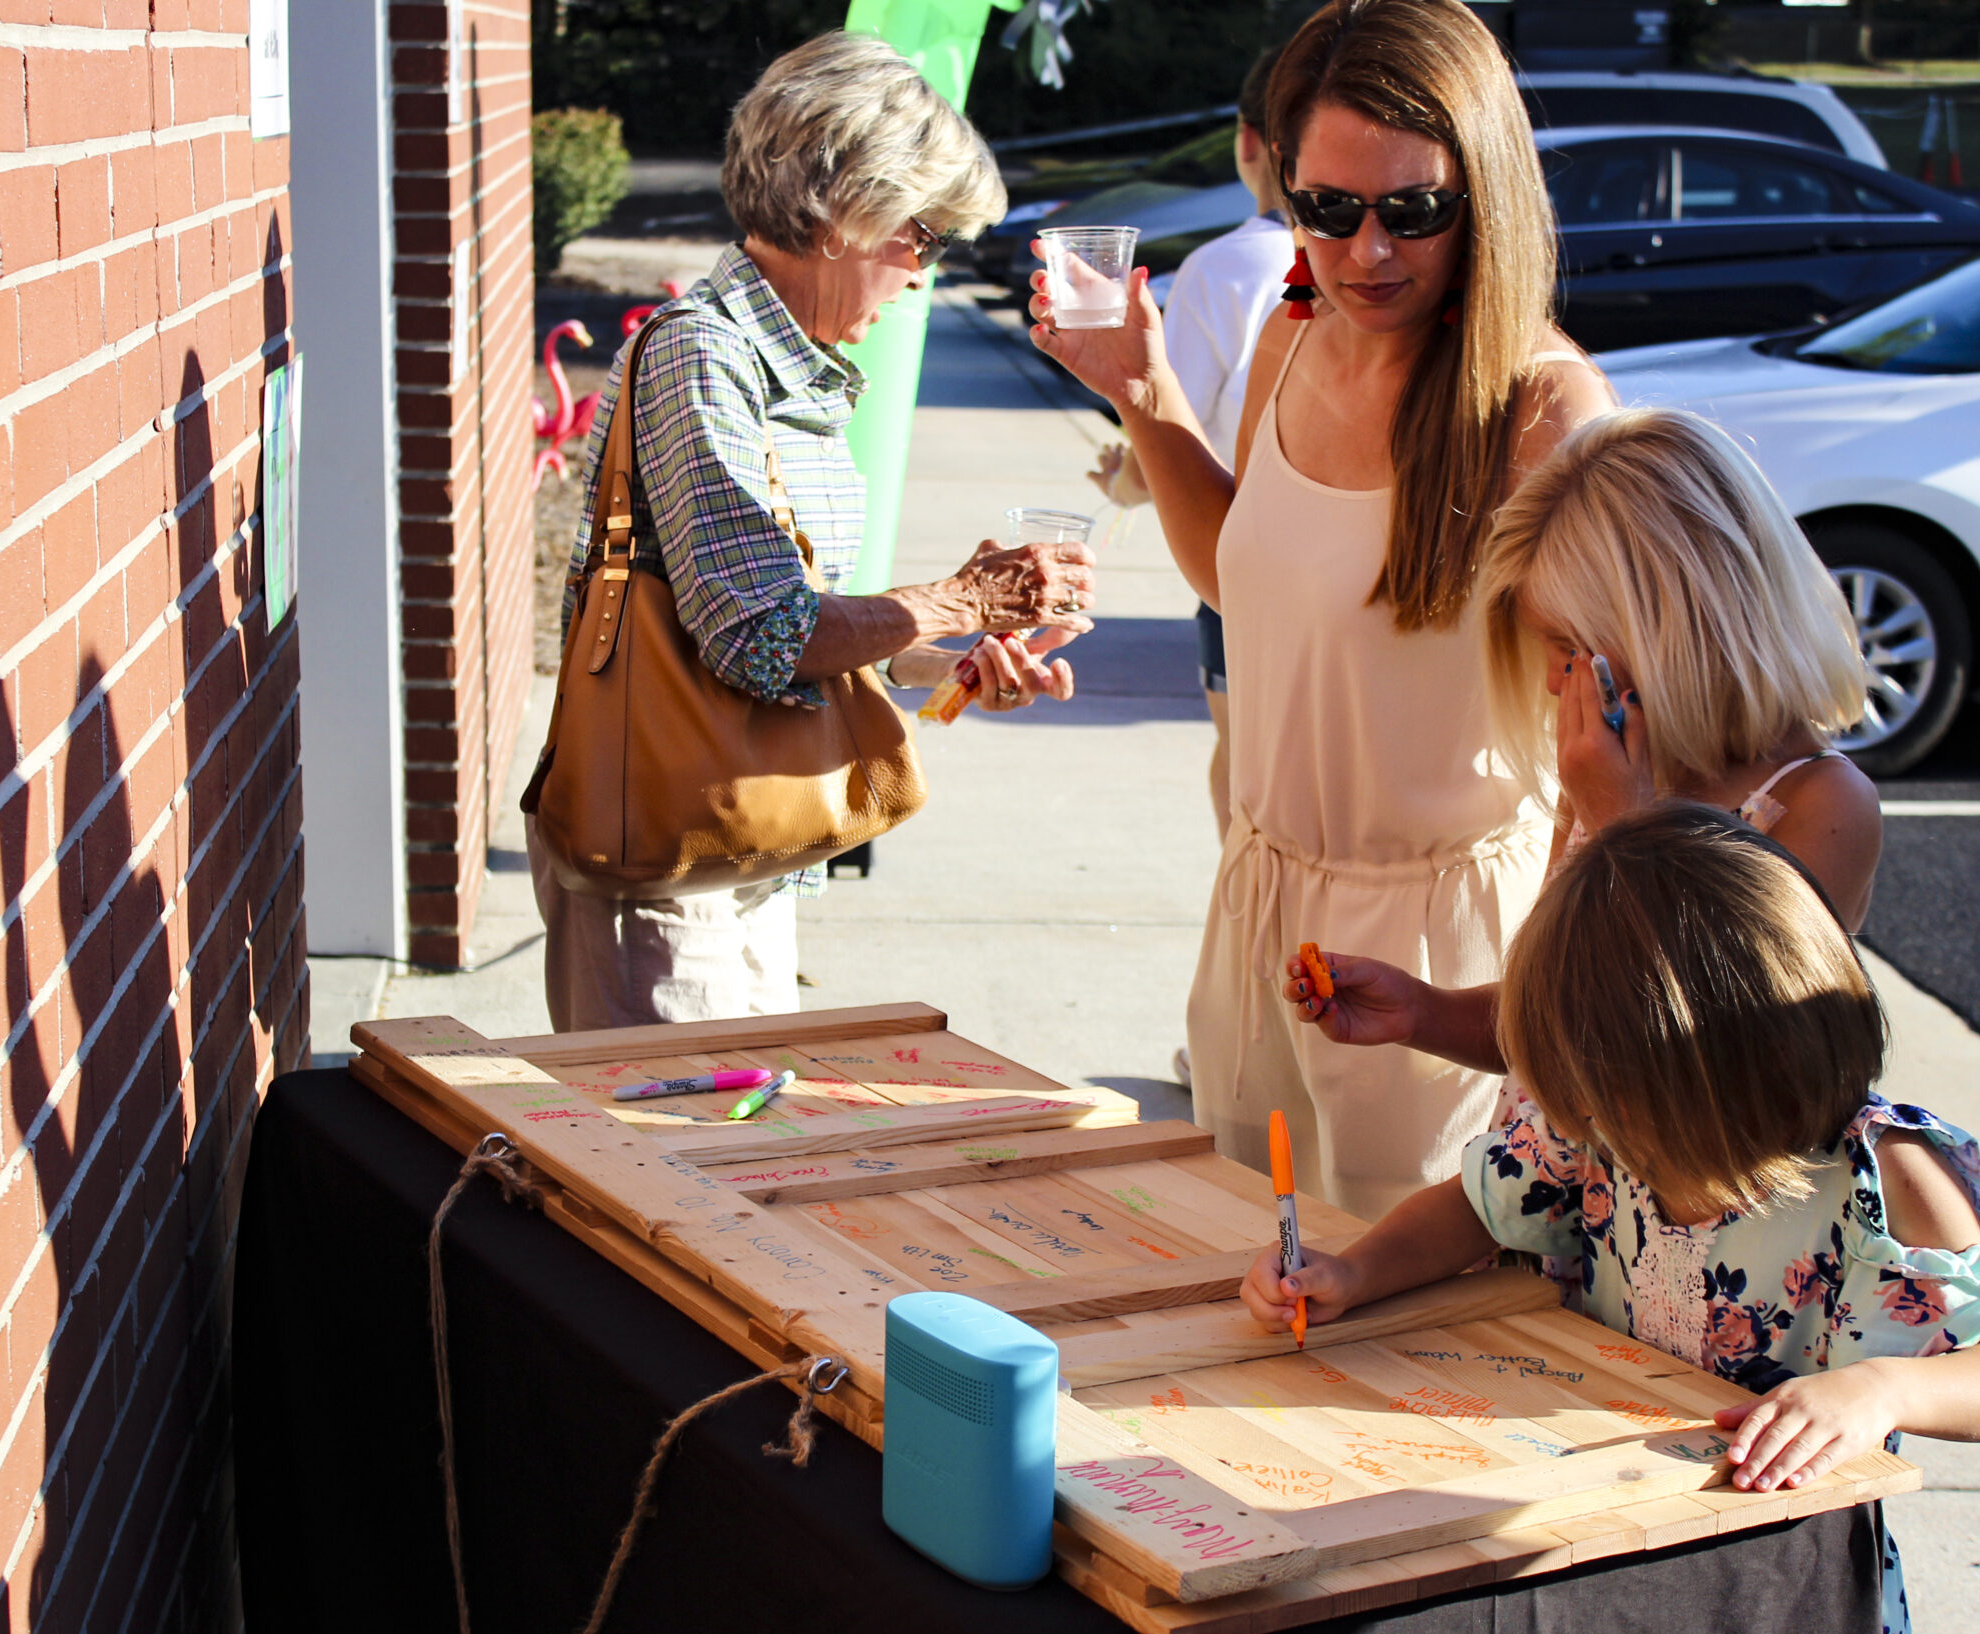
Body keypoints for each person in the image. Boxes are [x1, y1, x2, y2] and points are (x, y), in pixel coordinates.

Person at [1244, 804, 1980, 1634]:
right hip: (1605, 1539)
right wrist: (1355, 1270)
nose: (1585, 1129)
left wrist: (1883, 1391)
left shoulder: (1889, 1174)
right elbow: (1478, 1209)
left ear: (1694, 1086)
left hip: (1781, 1594)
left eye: (1605, 1107)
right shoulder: (1599, 1131)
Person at [1032, 0, 1615, 1216]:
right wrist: (1142, 390)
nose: (1366, 253)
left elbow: (1615, 744)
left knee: (1405, 1352)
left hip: (1440, 968)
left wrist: (1546, 1013)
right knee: (1249, 1278)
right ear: (1280, 183)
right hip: (1259, 921)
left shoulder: (1541, 410)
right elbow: (1237, 576)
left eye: (1413, 210)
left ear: (1485, 199)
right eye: (1326, 209)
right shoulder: (1295, 338)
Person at [536, 32, 1093, 1032]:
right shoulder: (706, 355)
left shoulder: (772, 364)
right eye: (920, 235)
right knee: (674, 1174)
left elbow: (792, 634)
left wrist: (953, 663)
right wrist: (964, 598)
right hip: (668, 874)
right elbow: (762, 637)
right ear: (846, 207)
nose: (923, 270)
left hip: (731, 850)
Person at [1286, 408, 1883, 1079]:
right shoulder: (1618, 765)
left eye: (1571, 647)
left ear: (1676, 629)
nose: (1550, 680)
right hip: (1547, 1167)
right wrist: (1422, 1010)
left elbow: (1714, 1057)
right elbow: (1555, 1022)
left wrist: (1623, 825)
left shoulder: (1821, 804)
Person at [1090, 47, 1296, 844]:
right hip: (1328, 553)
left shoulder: (1222, 267)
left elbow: (1165, 433)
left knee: (1245, 763)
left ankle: (1249, 938)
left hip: (1238, 552)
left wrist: (1122, 482)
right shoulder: (1380, 267)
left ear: (1248, 140)